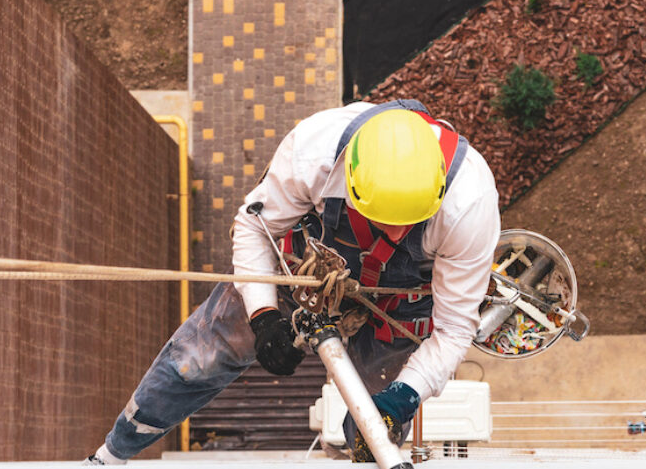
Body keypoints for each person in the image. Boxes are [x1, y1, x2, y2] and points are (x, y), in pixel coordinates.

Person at [83, 99, 501, 464]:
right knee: (202, 356)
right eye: (383, 219)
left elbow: (453, 328)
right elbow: (253, 229)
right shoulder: (314, 154)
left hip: (400, 304)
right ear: (352, 182)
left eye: (408, 221)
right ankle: (111, 455)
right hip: (307, 264)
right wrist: (263, 316)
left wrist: (406, 395)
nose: (395, 234)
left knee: (374, 434)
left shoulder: (469, 203)